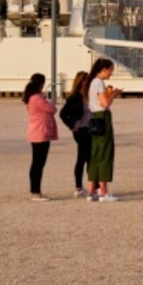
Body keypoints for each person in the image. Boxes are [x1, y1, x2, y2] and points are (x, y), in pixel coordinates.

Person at [84, 57, 121, 200]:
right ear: (104, 70)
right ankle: (103, 192)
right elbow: (105, 104)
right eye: (110, 71)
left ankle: (91, 190)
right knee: (105, 153)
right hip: (102, 117)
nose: (111, 74)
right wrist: (113, 95)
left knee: (96, 153)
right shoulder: (99, 82)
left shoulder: (91, 82)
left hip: (94, 118)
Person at [23, 72, 58, 201]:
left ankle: (36, 191)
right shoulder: (37, 98)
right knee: (38, 163)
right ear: (41, 84)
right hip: (40, 133)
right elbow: (52, 109)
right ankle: (35, 192)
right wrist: (49, 102)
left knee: (37, 163)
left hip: (36, 131)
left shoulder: (31, 97)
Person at [60, 71, 92, 199]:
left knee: (91, 158)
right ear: (80, 82)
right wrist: (72, 126)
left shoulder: (90, 95)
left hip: (91, 129)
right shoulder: (74, 97)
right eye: (85, 80)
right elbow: (63, 114)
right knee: (83, 158)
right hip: (81, 130)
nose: (87, 82)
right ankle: (79, 187)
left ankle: (92, 185)